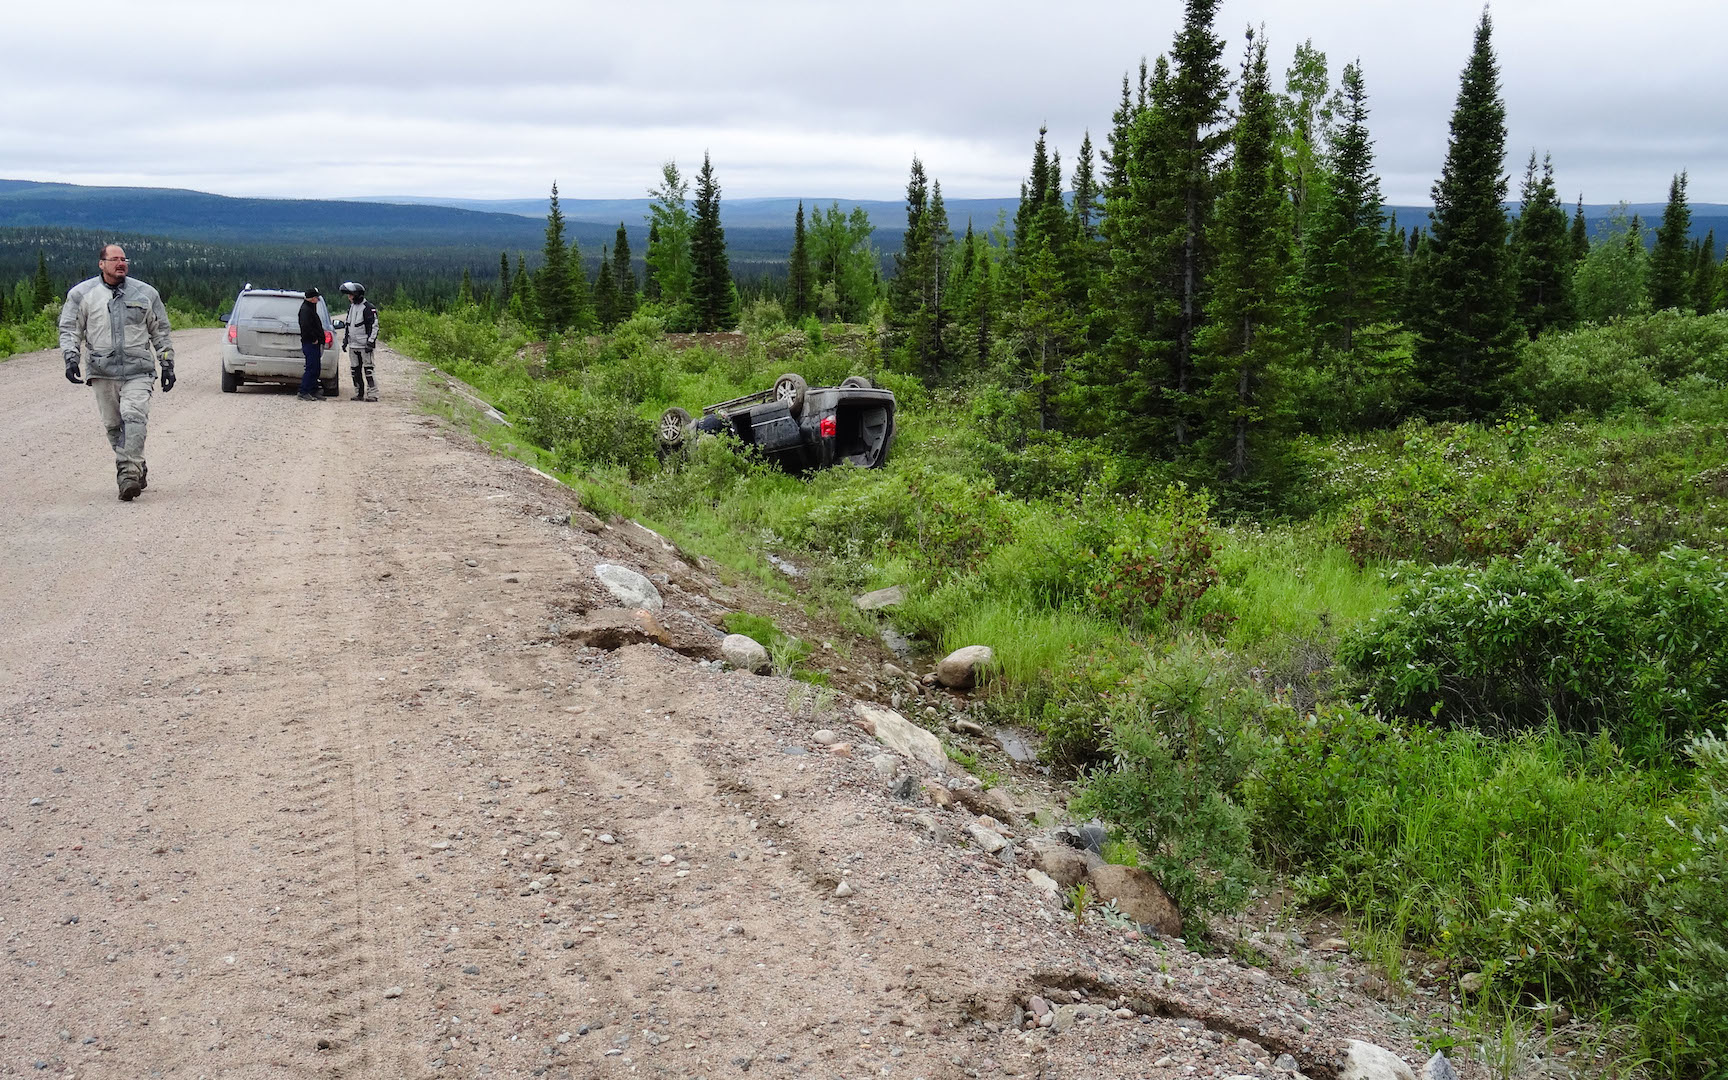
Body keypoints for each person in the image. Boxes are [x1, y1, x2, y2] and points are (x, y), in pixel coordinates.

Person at [58, 243, 175, 501]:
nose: (121, 263)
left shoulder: (145, 293)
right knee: (113, 426)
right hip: (102, 370)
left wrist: (167, 363)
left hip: (138, 370)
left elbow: (161, 331)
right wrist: (71, 357)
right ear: (101, 264)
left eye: (124, 259)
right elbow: (70, 329)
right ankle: (136, 464)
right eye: (114, 259)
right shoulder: (82, 294)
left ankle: (128, 476)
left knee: (134, 417)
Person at [337, 281, 379, 401]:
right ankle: (359, 393)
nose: (349, 297)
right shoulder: (351, 308)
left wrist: (370, 342)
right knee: (355, 371)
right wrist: (345, 340)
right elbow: (348, 325)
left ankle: (373, 394)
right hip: (353, 345)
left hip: (364, 345)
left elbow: (374, 326)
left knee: (368, 370)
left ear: (357, 294)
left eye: (351, 295)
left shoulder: (368, 308)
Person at [296, 287, 325, 401]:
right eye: (316, 297)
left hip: (313, 343)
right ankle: (303, 391)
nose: (318, 299)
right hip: (310, 343)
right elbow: (305, 326)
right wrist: (313, 338)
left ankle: (313, 390)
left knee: (316, 368)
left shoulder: (310, 308)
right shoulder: (305, 310)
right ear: (312, 298)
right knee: (311, 367)